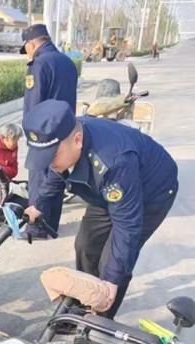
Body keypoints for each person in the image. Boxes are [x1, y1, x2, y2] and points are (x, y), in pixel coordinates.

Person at [23, 100, 178, 319]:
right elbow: (55, 173)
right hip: (107, 192)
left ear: (77, 141)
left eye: (51, 156)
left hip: (151, 193)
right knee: (85, 245)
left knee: (112, 263)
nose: (49, 162)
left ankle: (101, 319)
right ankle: (82, 303)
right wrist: (39, 205)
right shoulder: (63, 142)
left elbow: (127, 226)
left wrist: (111, 281)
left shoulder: (113, 162)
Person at [20, 24, 78, 240]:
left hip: (44, 133)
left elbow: (33, 106)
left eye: (26, 47)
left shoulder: (39, 64)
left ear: (32, 43)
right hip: (65, 130)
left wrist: (31, 138)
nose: (26, 52)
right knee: (57, 175)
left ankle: (37, 228)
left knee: (39, 180)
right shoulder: (68, 62)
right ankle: (52, 224)